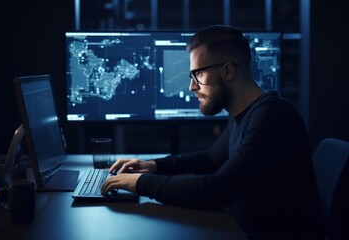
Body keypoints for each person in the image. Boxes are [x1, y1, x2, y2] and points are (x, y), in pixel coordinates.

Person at [101, 25, 325, 238]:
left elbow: (217, 190)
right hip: (242, 227)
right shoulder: (245, 112)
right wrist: (153, 165)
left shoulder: (272, 117)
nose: (192, 87)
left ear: (227, 71)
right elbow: (210, 159)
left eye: (197, 74)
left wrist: (141, 183)